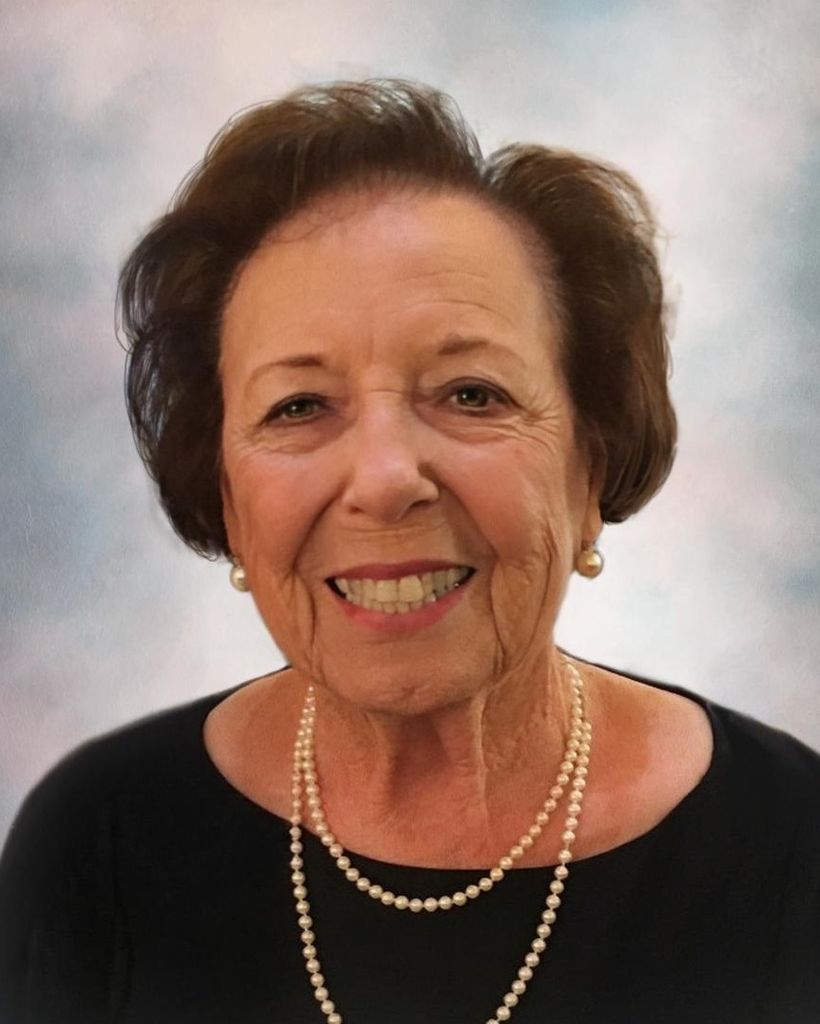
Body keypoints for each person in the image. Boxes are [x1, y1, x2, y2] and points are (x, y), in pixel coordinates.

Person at [1, 77, 818, 1024]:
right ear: (225, 494)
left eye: (471, 394)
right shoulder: (95, 845)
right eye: (299, 406)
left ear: (589, 469)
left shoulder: (792, 844)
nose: (387, 478)